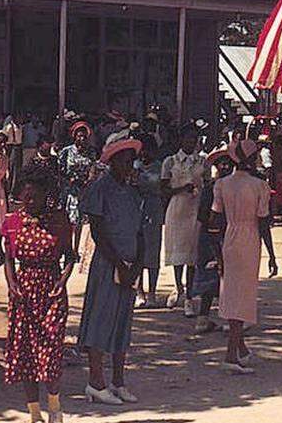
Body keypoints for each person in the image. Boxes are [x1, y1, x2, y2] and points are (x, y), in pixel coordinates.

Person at [2, 163, 77, 423]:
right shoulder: (12, 222)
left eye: (36, 196)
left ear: (47, 194)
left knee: (50, 350)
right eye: (26, 196)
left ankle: (55, 408)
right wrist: (11, 283)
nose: (30, 201)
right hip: (23, 293)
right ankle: (35, 414)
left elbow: (70, 256)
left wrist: (63, 280)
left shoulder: (59, 221)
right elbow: (9, 258)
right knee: (25, 355)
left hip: (51, 292)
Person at [77, 138, 145, 406]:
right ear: (113, 161)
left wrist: (137, 265)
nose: (129, 165)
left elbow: (140, 232)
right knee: (100, 320)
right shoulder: (100, 189)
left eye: (131, 160)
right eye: (125, 160)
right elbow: (98, 230)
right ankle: (96, 381)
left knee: (122, 323)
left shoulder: (131, 192)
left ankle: (119, 381)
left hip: (129, 266)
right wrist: (117, 263)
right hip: (108, 264)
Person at [212, 138, 277, 374]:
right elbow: (263, 223)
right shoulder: (259, 186)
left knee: (231, 290)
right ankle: (231, 354)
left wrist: (216, 249)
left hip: (229, 236)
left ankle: (240, 347)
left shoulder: (222, 184)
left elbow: (214, 219)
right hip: (249, 239)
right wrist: (272, 254)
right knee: (244, 293)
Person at [161, 124, 207, 316]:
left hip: (194, 209)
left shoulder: (203, 162)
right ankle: (178, 286)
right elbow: (163, 189)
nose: (190, 142)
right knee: (178, 252)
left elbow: (208, 184)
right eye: (187, 138)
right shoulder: (170, 162)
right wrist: (181, 189)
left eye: (193, 139)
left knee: (192, 254)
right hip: (177, 209)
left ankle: (189, 295)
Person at [191, 148, 233, 334]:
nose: (224, 166)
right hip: (210, 238)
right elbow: (202, 215)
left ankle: (230, 317)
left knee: (229, 278)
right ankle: (203, 317)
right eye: (221, 163)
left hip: (229, 235)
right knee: (210, 276)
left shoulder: (233, 187)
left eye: (228, 163)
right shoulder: (210, 189)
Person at [59, 121, 101, 258]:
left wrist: (89, 180)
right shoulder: (66, 151)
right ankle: (67, 247)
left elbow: (93, 168)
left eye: (84, 136)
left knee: (79, 222)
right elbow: (60, 171)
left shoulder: (90, 152)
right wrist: (69, 180)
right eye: (79, 136)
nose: (81, 139)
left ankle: (75, 249)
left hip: (84, 190)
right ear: (74, 136)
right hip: (70, 191)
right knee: (70, 221)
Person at [134, 135, 166, 308]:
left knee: (153, 252)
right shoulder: (134, 167)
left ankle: (152, 291)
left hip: (154, 210)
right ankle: (139, 292)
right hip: (137, 209)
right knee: (138, 252)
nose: (145, 153)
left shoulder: (160, 168)